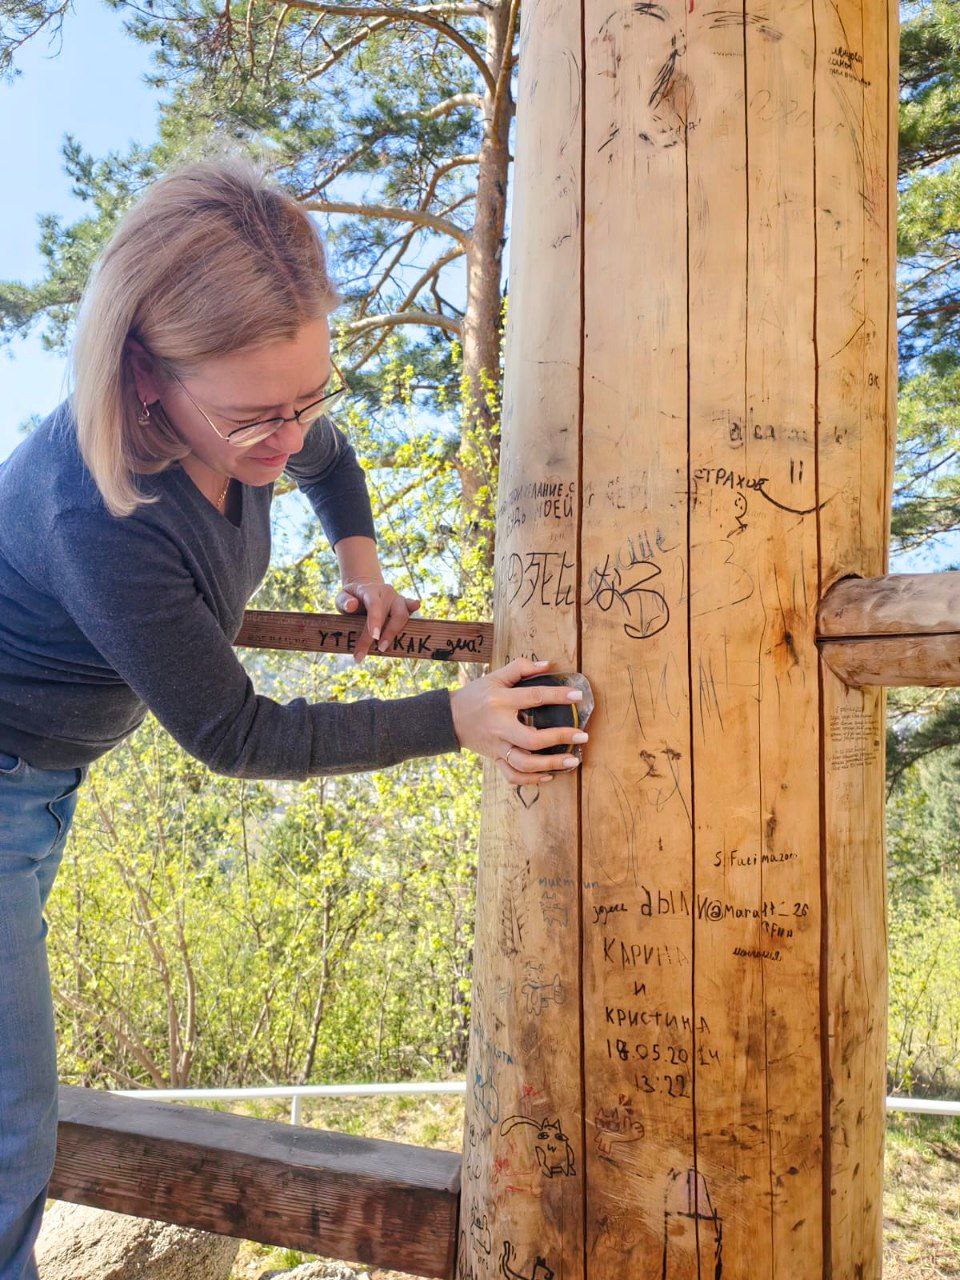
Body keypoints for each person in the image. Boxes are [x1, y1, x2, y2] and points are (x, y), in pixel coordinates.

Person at [0, 152, 589, 1278]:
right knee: (9, 1126)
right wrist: (456, 718)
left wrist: (359, 559)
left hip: (47, 771)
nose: (286, 436)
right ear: (141, 377)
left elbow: (327, 454)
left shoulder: (258, 408)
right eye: (256, 418)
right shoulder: (95, 506)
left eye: (308, 394)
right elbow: (239, 735)